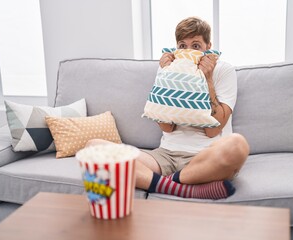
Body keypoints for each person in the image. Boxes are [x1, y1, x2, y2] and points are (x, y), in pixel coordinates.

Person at [87, 17, 249, 200]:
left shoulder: (223, 70)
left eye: (196, 46)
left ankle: (164, 181)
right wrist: (165, 77)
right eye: (182, 46)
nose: (188, 51)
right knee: (93, 148)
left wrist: (208, 79)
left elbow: (213, 130)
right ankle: (178, 187)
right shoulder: (169, 69)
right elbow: (166, 128)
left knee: (238, 145)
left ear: (208, 46)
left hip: (204, 157)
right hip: (166, 156)